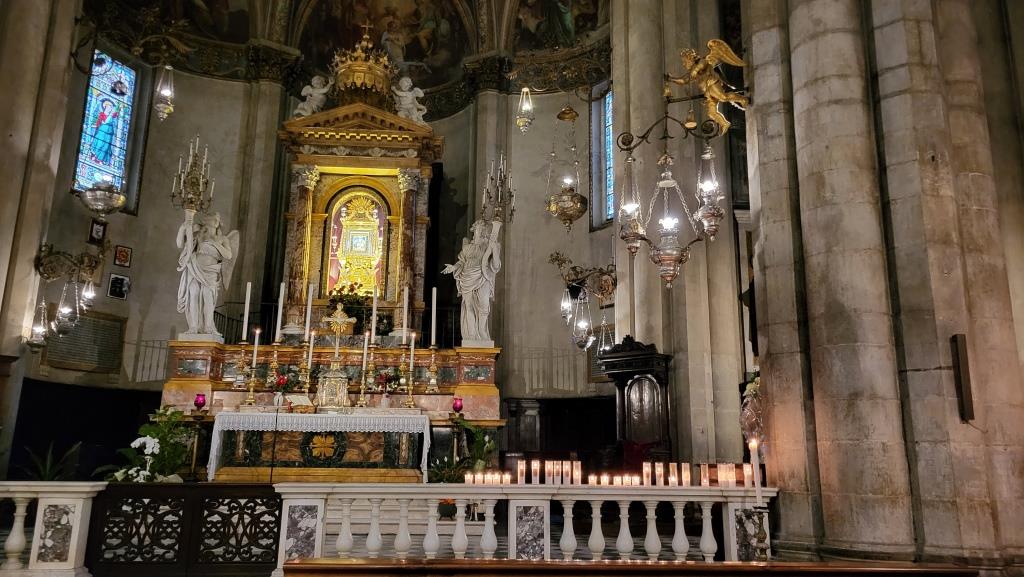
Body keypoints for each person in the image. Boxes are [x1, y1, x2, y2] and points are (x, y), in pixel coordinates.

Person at [176, 210, 239, 336]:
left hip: (210, 272)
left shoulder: (222, 239)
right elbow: (180, 244)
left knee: (207, 295)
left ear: (218, 223)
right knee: (193, 293)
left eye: (216, 220)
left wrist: (214, 243)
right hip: (195, 269)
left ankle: (208, 327)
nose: (215, 222)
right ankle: (193, 327)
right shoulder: (199, 235)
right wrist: (183, 228)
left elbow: (228, 255)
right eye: (212, 220)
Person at [442, 219, 502, 344]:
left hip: (483, 276)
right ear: (474, 230)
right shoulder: (467, 247)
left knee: (484, 306)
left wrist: (495, 250)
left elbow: (496, 266)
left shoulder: (489, 246)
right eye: (477, 229)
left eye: (482, 229)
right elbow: (461, 262)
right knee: (469, 306)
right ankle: (472, 334)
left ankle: (482, 331)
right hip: (467, 277)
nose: (479, 231)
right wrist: (453, 267)